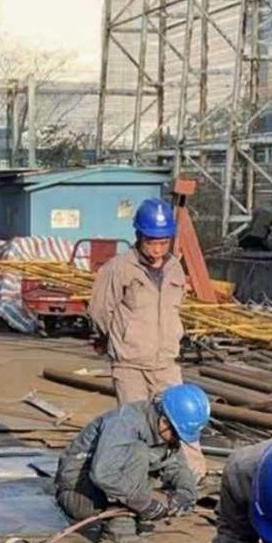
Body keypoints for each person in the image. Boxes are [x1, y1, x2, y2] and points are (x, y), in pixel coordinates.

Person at [88, 198, 205, 478]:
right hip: (130, 365)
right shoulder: (119, 268)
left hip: (165, 363)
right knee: (135, 426)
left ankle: (193, 477)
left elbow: (175, 308)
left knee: (183, 419)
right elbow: (99, 310)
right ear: (139, 235)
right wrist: (119, 339)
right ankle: (137, 481)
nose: (158, 249)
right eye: (152, 242)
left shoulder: (175, 268)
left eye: (164, 242)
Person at [54, 383, 210, 543]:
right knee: (138, 452)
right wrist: (144, 504)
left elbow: (177, 466)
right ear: (164, 420)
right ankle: (119, 529)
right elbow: (103, 474)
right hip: (79, 494)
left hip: (102, 493)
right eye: (177, 435)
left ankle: (129, 512)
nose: (177, 440)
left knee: (154, 478)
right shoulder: (124, 423)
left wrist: (186, 492)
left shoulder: (163, 427)